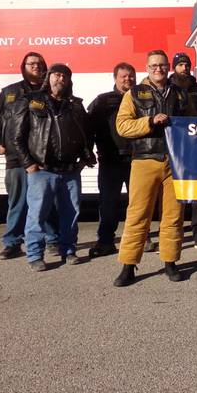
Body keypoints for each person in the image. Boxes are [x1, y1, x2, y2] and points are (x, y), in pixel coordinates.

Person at [113, 50, 197, 287]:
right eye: (154, 66)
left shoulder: (181, 94)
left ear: (168, 67)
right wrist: (150, 121)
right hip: (144, 160)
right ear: (147, 67)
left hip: (174, 163)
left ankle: (170, 262)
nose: (158, 69)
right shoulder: (134, 93)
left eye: (162, 65)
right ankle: (128, 265)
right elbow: (122, 126)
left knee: (173, 216)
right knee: (137, 215)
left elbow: (193, 125)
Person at [11, 64, 95, 271]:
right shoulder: (31, 102)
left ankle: (69, 251)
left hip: (70, 171)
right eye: (57, 75)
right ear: (48, 78)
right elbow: (16, 137)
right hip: (42, 170)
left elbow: (87, 134)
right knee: (37, 215)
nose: (61, 79)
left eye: (65, 76)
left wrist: (84, 159)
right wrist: (28, 163)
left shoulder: (75, 105)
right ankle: (35, 255)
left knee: (71, 215)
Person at [0, 52, 59, 259]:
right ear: (24, 66)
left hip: (44, 158)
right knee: (17, 203)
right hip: (16, 159)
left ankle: (52, 240)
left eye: (39, 63)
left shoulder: (51, 92)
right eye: (31, 63)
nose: (36, 66)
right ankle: (12, 243)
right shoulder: (10, 92)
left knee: (47, 203)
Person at [87, 62, 136, 258]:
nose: (127, 79)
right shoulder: (102, 101)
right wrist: (88, 151)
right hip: (110, 160)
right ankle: (106, 240)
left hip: (137, 160)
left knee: (138, 202)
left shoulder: (141, 97)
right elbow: (89, 127)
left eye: (131, 76)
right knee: (108, 203)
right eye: (123, 76)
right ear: (115, 78)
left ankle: (141, 238)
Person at [169, 52, 197, 252]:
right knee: (172, 194)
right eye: (180, 65)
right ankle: (171, 235)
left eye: (186, 65)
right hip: (172, 147)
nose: (184, 68)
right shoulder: (167, 89)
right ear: (174, 68)